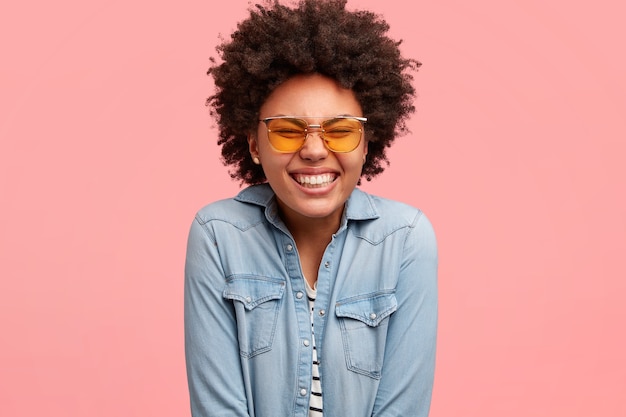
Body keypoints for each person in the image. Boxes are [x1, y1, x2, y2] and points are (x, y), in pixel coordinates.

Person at [184, 0, 438, 415]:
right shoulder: (217, 235)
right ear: (253, 143)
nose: (315, 150)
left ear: (368, 141)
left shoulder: (406, 239)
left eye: (340, 130)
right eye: (286, 131)